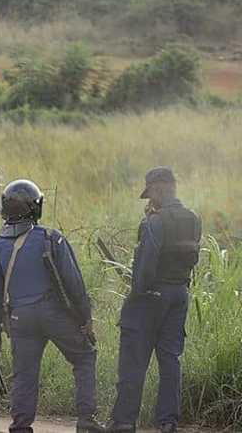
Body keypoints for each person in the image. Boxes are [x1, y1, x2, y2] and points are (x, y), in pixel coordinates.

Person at [0, 179, 104, 433]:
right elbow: (74, 283)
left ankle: (20, 426)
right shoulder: (51, 238)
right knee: (84, 357)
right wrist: (85, 319)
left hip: (20, 319)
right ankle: (86, 421)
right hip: (53, 313)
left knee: (24, 374)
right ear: (34, 208)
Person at [106, 167, 201, 433]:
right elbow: (193, 258)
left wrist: (136, 293)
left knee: (134, 360)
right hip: (179, 294)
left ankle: (124, 421)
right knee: (170, 361)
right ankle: (168, 422)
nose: (150, 201)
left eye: (151, 194)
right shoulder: (193, 218)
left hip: (150, 297)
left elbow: (145, 267)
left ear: (158, 189)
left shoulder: (154, 222)